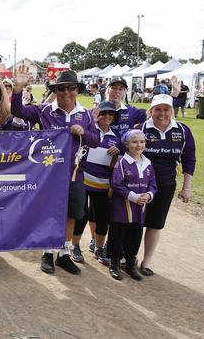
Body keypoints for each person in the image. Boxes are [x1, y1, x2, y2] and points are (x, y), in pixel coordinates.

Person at [11, 69, 99, 275]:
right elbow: (18, 111)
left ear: (77, 90)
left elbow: (95, 141)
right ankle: (47, 252)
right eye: (61, 88)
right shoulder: (44, 110)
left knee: (71, 214)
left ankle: (64, 253)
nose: (66, 92)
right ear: (55, 90)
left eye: (70, 88)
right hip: (48, 175)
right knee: (48, 213)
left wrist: (83, 132)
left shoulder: (85, 114)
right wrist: (18, 88)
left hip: (74, 173)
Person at [138, 88, 196, 276]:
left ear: (171, 110)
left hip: (165, 184)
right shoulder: (140, 129)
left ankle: (146, 262)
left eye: (166, 109)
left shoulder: (183, 131)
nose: (162, 114)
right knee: (133, 222)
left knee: (155, 224)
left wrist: (186, 188)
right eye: (158, 109)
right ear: (151, 110)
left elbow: (189, 160)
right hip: (139, 183)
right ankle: (127, 257)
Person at [71, 101, 122, 266]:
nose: (107, 116)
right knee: (81, 215)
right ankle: (75, 245)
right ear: (98, 116)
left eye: (111, 114)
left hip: (103, 184)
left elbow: (117, 164)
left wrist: (117, 153)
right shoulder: (89, 131)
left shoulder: (116, 138)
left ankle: (100, 248)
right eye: (104, 113)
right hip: (84, 179)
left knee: (102, 217)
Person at [107, 130, 157, 281]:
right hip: (122, 208)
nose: (139, 144)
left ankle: (130, 263)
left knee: (135, 235)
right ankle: (114, 263)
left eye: (142, 141)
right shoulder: (121, 162)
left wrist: (149, 195)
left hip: (139, 209)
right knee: (118, 234)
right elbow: (116, 184)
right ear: (126, 144)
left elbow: (153, 184)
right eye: (134, 142)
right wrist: (133, 197)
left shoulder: (148, 163)